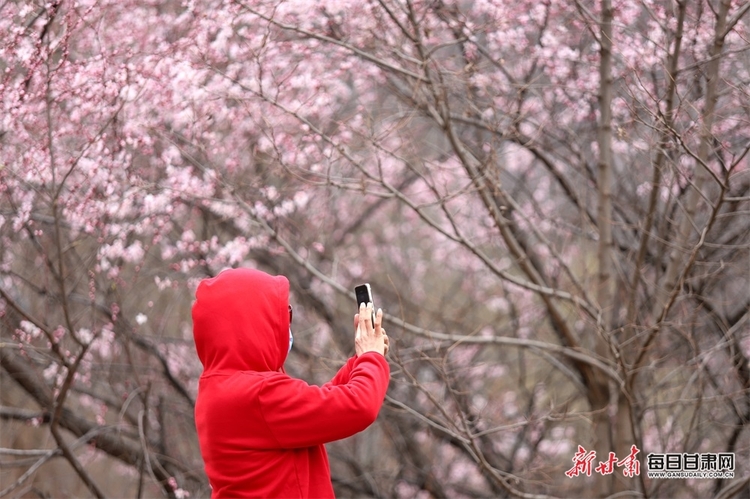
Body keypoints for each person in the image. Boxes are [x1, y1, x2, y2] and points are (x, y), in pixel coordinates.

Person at [192, 268, 390, 498]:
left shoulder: (219, 387)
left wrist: (361, 361)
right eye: (282, 317)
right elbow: (359, 407)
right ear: (254, 322)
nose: (286, 326)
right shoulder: (259, 394)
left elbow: (320, 404)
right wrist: (371, 359)